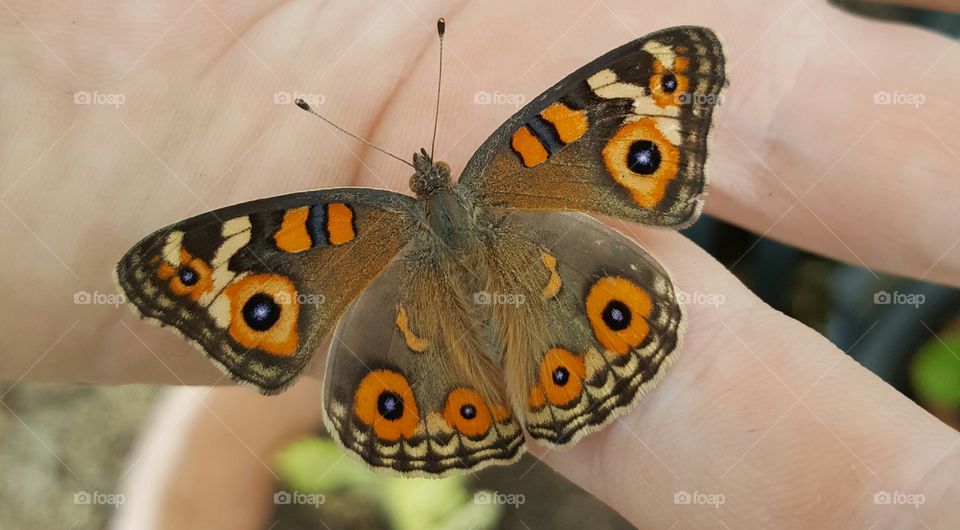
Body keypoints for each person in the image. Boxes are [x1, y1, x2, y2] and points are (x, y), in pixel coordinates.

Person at [2, 1, 958, 528]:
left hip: (435, 327)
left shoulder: (335, 229)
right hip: (554, 283)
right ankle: (551, 377)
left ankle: (490, 405)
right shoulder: (516, 162)